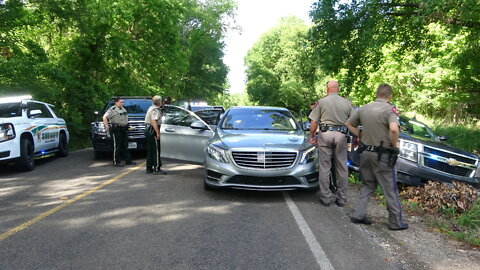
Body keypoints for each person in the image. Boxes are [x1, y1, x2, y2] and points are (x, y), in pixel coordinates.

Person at [345, 83, 408, 231]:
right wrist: (394, 145)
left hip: (365, 153)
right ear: (390, 96)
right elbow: (393, 129)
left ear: (376, 94)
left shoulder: (364, 108)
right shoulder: (390, 110)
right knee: (389, 189)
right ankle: (395, 222)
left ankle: (358, 215)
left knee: (368, 184)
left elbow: (348, 124)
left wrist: (361, 135)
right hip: (383, 155)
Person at [308, 80, 353, 207]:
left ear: (328, 89)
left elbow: (314, 122)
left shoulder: (322, 102)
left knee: (325, 166)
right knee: (342, 167)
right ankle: (342, 198)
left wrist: (311, 136)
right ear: (337, 89)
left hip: (325, 134)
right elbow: (354, 121)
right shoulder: (346, 103)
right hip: (341, 135)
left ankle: (326, 197)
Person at [103, 98, 136, 167]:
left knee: (125, 145)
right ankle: (116, 161)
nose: (122, 103)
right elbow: (104, 117)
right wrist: (106, 126)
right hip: (116, 129)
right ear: (116, 102)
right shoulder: (112, 110)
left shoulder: (123, 109)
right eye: (121, 102)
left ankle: (128, 160)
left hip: (123, 129)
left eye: (123, 102)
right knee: (117, 146)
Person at [144, 96, 167, 175]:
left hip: (148, 129)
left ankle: (149, 168)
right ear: (158, 102)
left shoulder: (151, 108)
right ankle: (157, 168)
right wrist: (157, 132)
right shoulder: (155, 110)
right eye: (161, 101)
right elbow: (153, 121)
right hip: (152, 130)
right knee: (156, 150)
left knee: (150, 150)